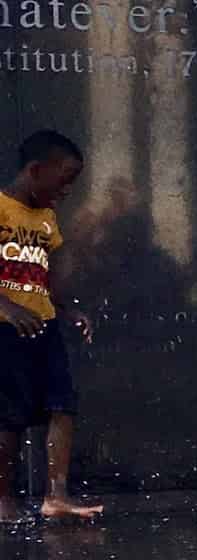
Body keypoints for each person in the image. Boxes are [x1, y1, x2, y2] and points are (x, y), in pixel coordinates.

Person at [0, 129, 98, 521]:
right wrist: (7, 305)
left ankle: (56, 495)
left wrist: (68, 309)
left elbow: (47, 277)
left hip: (43, 325)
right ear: (36, 170)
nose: (68, 190)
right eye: (65, 179)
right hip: (6, 330)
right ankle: (3, 498)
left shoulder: (47, 221)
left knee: (63, 404)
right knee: (8, 417)